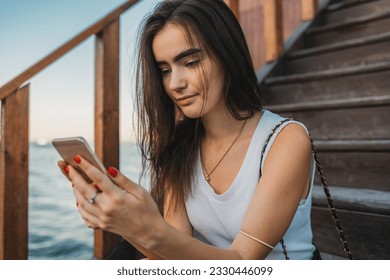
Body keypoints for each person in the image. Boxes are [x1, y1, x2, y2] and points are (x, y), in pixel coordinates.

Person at [58, 0, 318, 260]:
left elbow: (242, 261)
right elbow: (174, 258)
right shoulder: (181, 146)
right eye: (164, 70)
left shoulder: (286, 139)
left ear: (227, 55)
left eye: (191, 62)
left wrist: (145, 226)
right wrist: (125, 224)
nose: (174, 83)